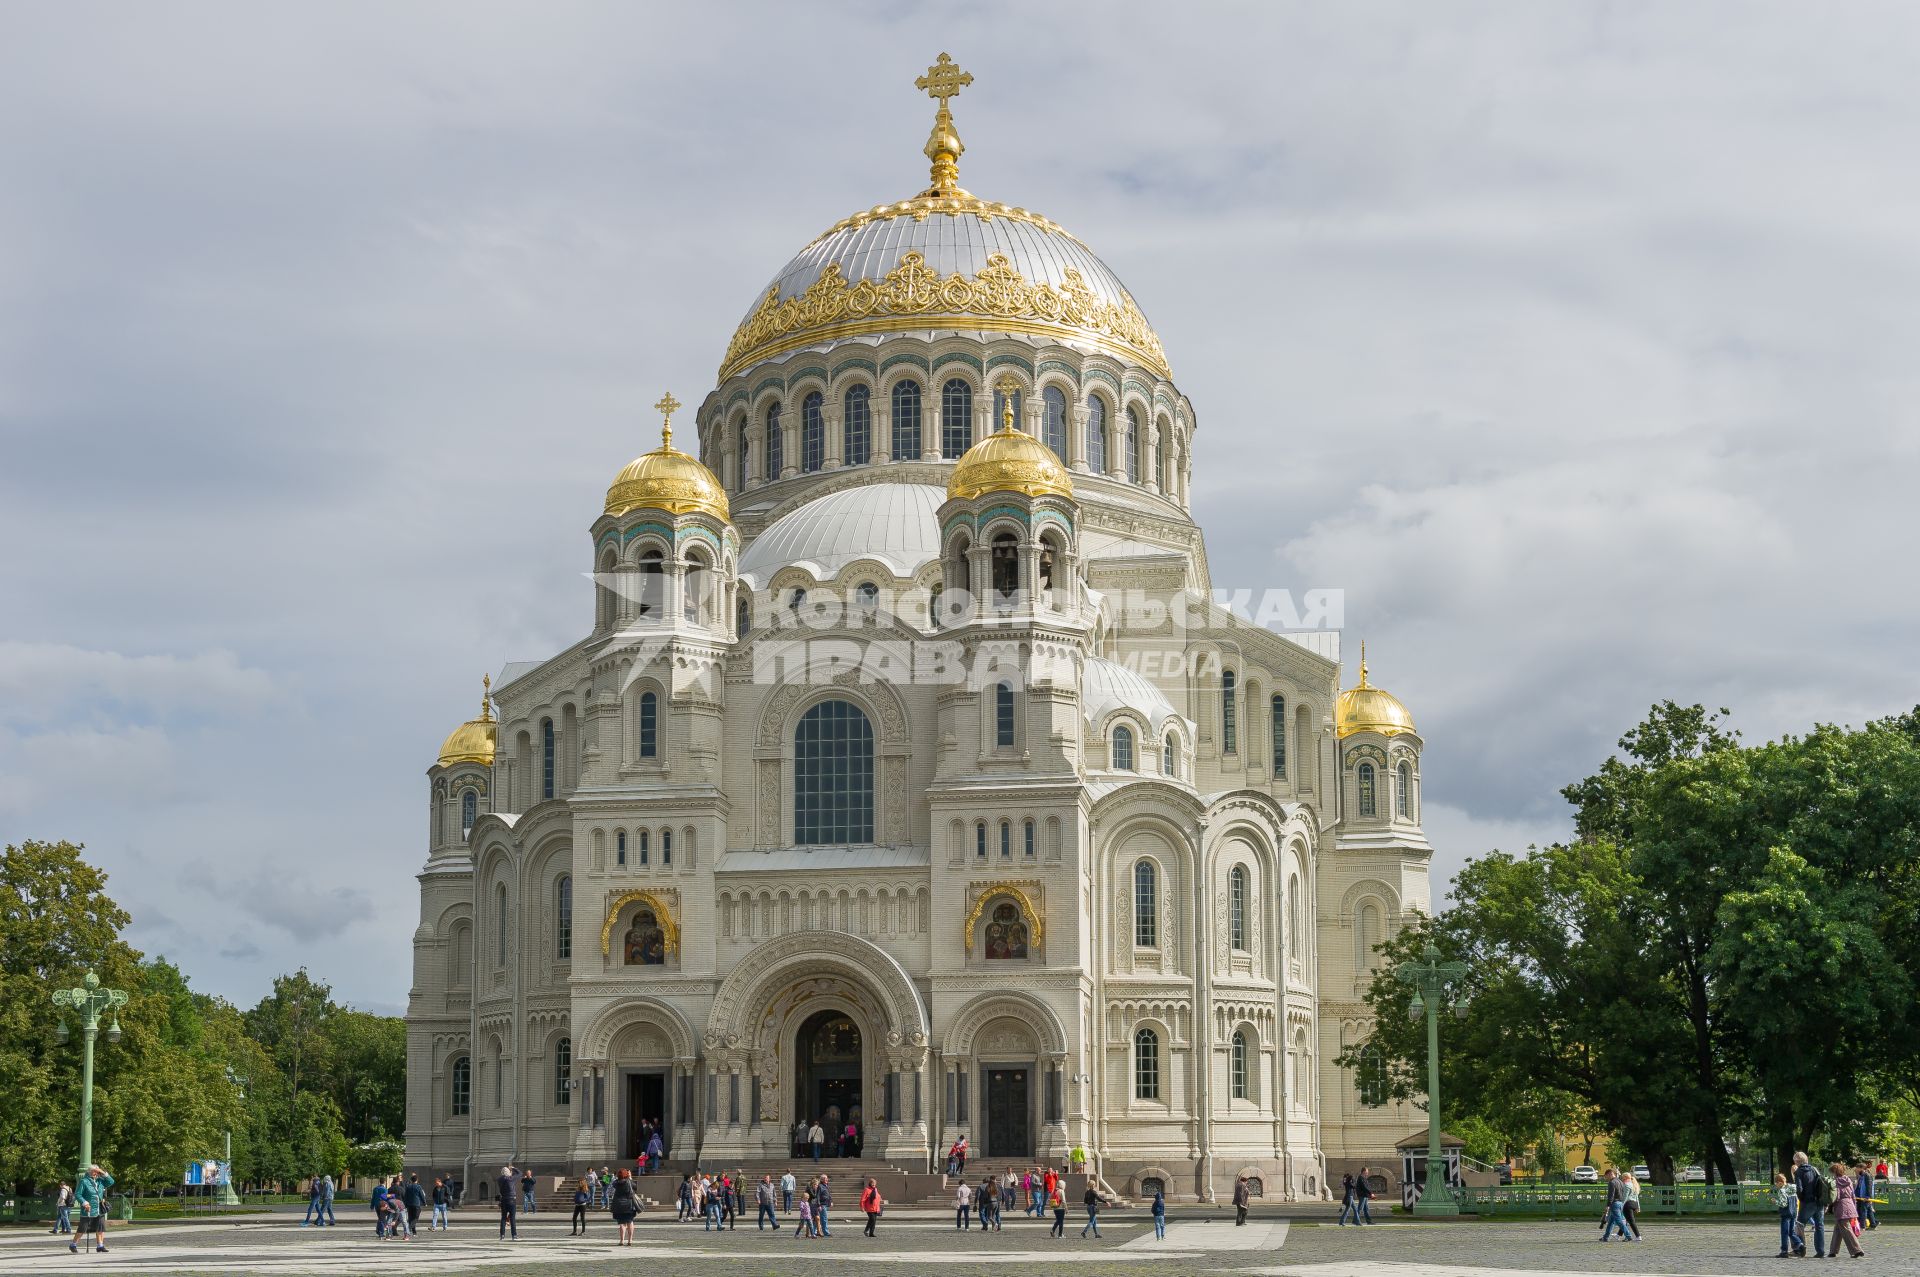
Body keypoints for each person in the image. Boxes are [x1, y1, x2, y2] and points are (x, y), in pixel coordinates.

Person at [70, 1164, 113, 1255]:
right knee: (83, 1228)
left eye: (97, 1171)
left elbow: (111, 1182)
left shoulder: (100, 1181)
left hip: (99, 1209)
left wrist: (102, 1172)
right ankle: (73, 1244)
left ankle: (100, 1246)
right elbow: (78, 1194)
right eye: (94, 1171)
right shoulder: (84, 1181)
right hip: (88, 1209)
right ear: (89, 1172)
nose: (95, 1173)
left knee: (100, 1228)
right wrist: (85, 1203)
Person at [1828, 1161, 1866, 1258]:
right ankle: (1833, 1251)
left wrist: (1829, 1206)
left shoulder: (1835, 1183)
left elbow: (1836, 1197)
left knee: (1846, 1229)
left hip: (1841, 1207)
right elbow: (1853, 1195)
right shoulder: (1848, 1180)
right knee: (1838, 1229)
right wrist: (1854, 1208)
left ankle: (1857, 1250)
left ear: (1834, 1172)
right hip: (1850, 1205)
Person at [1791, 1151, 1824, 1258]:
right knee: (1819, 1226)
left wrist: (1801, 1199)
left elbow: (1799, 1189)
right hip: (1818, 1202)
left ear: (1796, 1162)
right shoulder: (1814, 1169)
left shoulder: (1799, 1172)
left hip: (1807, 1202)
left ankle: (1800, 1248)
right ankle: (1820, 1251)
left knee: (1799, 1225)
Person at [1772, 1172, 1799, 1259]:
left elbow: (1783, 1204)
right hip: (1794, 1212)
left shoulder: (1781, 1190)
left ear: (1779, 1183)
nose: (1775, 1185)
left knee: (1784, 1233)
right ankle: (1800, 1244)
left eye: (1776, 1183)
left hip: (1786, 1214)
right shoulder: (1792, 1187)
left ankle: (1784, 1251)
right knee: (1791, 1232)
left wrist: (1775, 1201)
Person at [610, 1168, 640, 1246]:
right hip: (629, 1205)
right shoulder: (629, 1182)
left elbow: (612, 1186)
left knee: (622, 1224)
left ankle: (621, 1240)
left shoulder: (615, 1183)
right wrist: (630, 1177)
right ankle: (630, 1240)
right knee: (630, 1222)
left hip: (619, 1205)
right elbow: (635, 1188)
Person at [1600, 1168, 1628, 1242]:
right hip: (1620, 1203)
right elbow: (1623, 1193)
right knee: (1611, 1222)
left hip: (1614, 1204)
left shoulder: (1612, 1182)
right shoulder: (1620, 1181)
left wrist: (1608, 1205)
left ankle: (1628, 1235)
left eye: (1606, 1176)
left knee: (1619, 1221)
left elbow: (1611, 1195)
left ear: (1609, 1174)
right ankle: (1605, 1237)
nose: (1606, 1178)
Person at [496, 1164, 519, 1241]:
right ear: (508, 1172)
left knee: (503, 1218)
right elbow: (519, 1173)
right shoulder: (511, 1178)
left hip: (503, 1200)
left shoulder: (499, 1179)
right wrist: (513, 1168)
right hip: (512, 1199)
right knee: (512, 1218)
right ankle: (514, 1235)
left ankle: (502, 1235)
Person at [1620, 1171, 1642, 1241]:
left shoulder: (1627, 1185)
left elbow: (1625, 1197)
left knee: (1631, 1221)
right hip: (1634, 1204)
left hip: (1628, 1204)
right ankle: (1618, 1235)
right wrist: (1638, 1207)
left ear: (1626, 1178)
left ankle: (1638, 1236)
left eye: (1623, 1178)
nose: (1622, 1179)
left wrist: (1621, 1206)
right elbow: (1636, 1197)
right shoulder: (1634, 1184)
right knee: (1626, 1220)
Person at [1856, 1162, 1878, 1231]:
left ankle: (1863, 1226)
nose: (1856, 1170)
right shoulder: (1861, 1176)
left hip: (1865, 1197)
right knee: (1868, 1211)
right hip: (1860, 1197)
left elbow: (1869, 1186)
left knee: (1863, 1211)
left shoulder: (1867, 1176)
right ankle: (1873, 1224)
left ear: (1862, 1168)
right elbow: (1858, 1187)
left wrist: (1868, 1196)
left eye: (1857, 1168)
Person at [403, 1174, 426, 1238]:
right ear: (417, 1180)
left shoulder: (408, 1187)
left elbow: (406, 1196)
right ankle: (408, 1229)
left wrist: (405, 1204)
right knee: (415, 1218)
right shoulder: (418, 1187)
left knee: (411, 1218)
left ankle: (414, 1232)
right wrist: (424, 1203)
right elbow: (422, 1195)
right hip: (416, 1204)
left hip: (409, 1205)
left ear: (411, 1180)